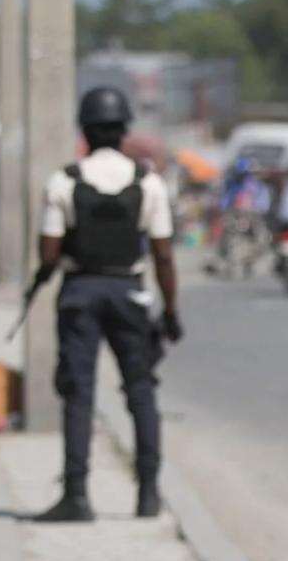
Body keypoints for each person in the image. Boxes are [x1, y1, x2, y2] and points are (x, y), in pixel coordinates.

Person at [33, 86, 181, 523]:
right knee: (140, 391)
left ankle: (76, 494)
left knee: (79, 394)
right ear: (123, 131)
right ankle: (149, 493)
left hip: (80, 291)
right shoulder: (147, 183)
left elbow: (48, 254)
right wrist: (170, 312)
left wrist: (45, 272)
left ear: (85, 130)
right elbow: (164, 255)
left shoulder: (64, 181)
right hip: (130, 293)